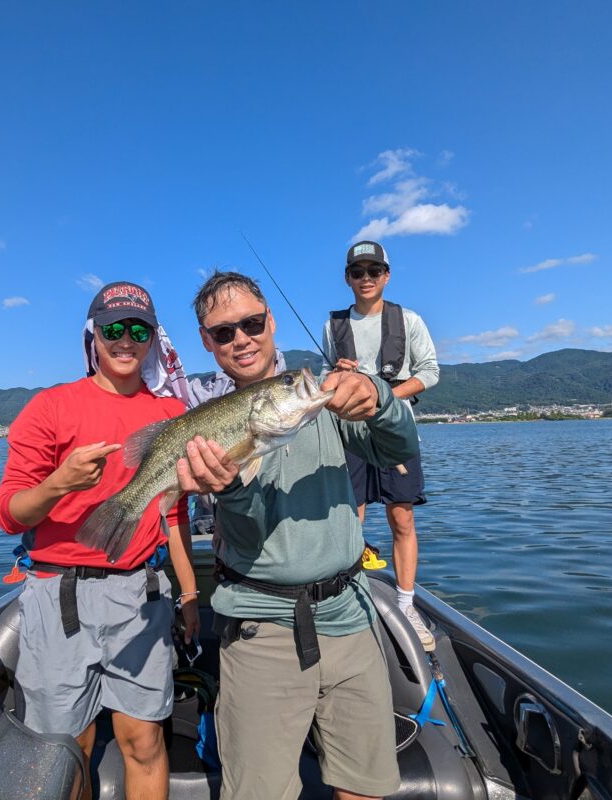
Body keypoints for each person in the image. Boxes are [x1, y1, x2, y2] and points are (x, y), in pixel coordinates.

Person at [177, 270, 419, 800]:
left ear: (271, 321)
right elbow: (244, 533)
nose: (241, 338)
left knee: (365, 788)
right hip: (261, 630)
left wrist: (377, 395)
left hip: (350, 618)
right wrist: (230, 492)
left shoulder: (320, 393)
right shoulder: (210, 427)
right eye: (223, 332)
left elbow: (398, 448)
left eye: (251, 323)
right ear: (207, 343)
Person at [0, 281, 199, 800]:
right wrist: (59, 483)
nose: (125, 340)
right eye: (114, 329)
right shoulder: (49, 408)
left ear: (153, 338)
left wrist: (191, 593)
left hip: (142, 594)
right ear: (94, 335)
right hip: (60, 595)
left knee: (145, 739)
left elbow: (172, 516)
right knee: (67, 747)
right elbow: (9, 514)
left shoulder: (172, 415)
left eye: (139, 329)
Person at [321, 240, 440, 651]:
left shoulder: (409, 320)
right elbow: (325, 380)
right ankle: (346, 594)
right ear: (348, 279)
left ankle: (406, 603)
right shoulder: (333, 325)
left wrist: (381, 395)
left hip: (395, 431)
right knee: (349, 516)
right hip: (350, 435)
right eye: (358, 272)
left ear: (386, 275)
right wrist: (337, 375)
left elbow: (430, 372)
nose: (366, 279)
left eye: (375, 271)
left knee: (401, 518)